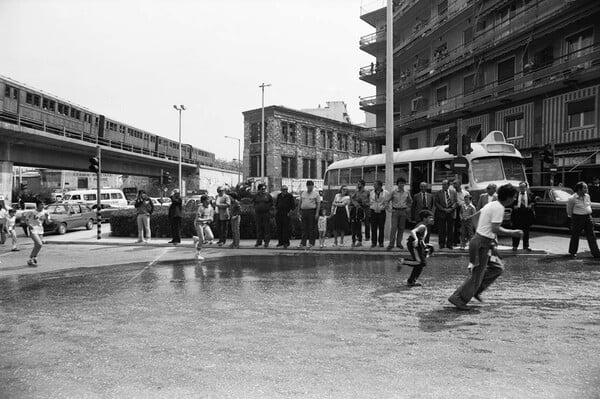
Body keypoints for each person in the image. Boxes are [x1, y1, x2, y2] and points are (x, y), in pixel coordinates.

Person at [448, 184, 523, 310]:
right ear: (509, 198)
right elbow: (495, 228)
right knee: (477, 275)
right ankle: (458, 298)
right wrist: (514, 232)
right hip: (481, 243)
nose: (515, 199)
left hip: (484, 242)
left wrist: (484, 235)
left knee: (497, 268)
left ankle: (476, 290)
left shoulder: (492, 204)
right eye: (514, 197)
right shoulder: (499, 208)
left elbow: (474, 218)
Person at [398, 209, 435, 287]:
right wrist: (416, 239)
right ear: (424, 218)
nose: (432, 219)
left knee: (420, 264)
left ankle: (412, 281)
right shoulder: (422, 225)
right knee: (420, 262)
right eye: (430, 217)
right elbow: (413, 231)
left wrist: (425, 246)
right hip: (414, 245)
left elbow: (421, 238)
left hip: (418, 245)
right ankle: (403, 261)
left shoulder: (425, 226)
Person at [567, 181, 600, 258]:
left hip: (588, 217)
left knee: (591, 235)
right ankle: (573, 252)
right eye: (585, 188)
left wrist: (589, 213)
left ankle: (596, 252)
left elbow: (589, 205)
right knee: (575, 235)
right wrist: (573, 218)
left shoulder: (587, 196)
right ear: (579, 189)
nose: (586, 189)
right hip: (578, 217)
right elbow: (569, 210)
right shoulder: (572, 198)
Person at [388, 177, 412, 250]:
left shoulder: (407, 192)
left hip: (403, 211)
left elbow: (410, 201)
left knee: (401, 228)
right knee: (394, 228)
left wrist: (408, 207)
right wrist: (389, 209)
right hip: (395, 211)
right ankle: (391, 244)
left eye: (403, 183)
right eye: (400, 183)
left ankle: (399, 243)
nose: (401, 185)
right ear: (397, 184)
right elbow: (387, 200)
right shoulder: (393, 192)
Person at [24, 200, 50, 267]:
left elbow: (47, 223)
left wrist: (47, 217)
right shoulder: (32, 212)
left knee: (37, 245)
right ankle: (32, 258)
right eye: (41, 204)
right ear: (38, 205)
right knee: (39, 244)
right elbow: (25, 218)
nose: (43, 206)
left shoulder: (45, 212)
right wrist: (29, 225)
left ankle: (33, 257)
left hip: (40, 230)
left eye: (43, 204)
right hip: (33, 229)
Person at [511, 181, 536, 251]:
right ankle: (515, 245)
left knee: (526, 232)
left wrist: (531, 205)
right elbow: (510, 202)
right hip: (517, 214)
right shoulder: (515, 195)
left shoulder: (530, 194)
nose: (521, 188)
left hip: (526, 214)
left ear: (526, 187)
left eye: (523, 187)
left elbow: (534, 202)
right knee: (516, 231)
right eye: (520, 187)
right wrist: (514, 206)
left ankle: (526, 246)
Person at [433, 179, 457, 250]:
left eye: (445, 184)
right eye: (442, 184)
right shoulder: (438, 193)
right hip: (441, 213)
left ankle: (449, 244)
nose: (443, 186)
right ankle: (441, 244)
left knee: (450, 229)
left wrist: (451, 208)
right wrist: (444, 209)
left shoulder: (453, 192)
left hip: (451, 213)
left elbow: (456, 202)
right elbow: (436, 203)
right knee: (441, 229)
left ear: (448, 185)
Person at [298, 180, 321, 248]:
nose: (310, 187)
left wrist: (317, 213)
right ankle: (303, 242)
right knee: (304, 227)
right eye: (309, 186)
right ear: (307, 186)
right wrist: (298, 211)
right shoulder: (303, 193)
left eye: (311, 186)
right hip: (304, 211)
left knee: (311, 227)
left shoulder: (316, 194)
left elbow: (318, 204)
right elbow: (300, 202)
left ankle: (311, 242)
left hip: (312, 211)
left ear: (313, 186)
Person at [193, 195, 215, 260]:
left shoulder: (211, 208)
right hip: (198, 223)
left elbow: (211, 217)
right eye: (208, 199)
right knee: (202, 239)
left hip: (205, 224)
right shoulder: (201, 208)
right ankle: (197, 254)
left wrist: (211, 219)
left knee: (211, 237)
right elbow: (198, 219)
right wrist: (207, 219)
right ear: (204, 201)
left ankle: (196, 239)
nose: (209, 200)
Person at [253, 183, 273, 248]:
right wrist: (256, 208)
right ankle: (259, 241)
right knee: (258, 228)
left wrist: (268, 208)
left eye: (264, 189)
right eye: (262, 189)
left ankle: (266, 242)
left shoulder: (268, 195)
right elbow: (254, 202)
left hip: (266, 213)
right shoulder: (256, 196)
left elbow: (271, 203)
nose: (264, 190)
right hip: (258, 214)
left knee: (266, 228)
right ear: (259, 189)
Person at [370, 180, 389, 248]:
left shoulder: (386, 193)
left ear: (379, 185)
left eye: (375, 184)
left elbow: (387, 202)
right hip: (373, 211)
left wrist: (385, 207)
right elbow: (370, 201)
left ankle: (381, 242)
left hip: (381, 212)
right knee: (373, 227)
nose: (374, 186)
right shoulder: (372, 192)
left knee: (381, 227)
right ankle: (373, 242)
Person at [451, 180, 470, 246]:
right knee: (455, 226)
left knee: (464, 227)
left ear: (460, 184)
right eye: (453, 183)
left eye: (455, 183)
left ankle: (464, 241)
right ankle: (455, 241)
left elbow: (468, 202)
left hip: (463, 210)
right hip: (455, 211)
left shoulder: (465, 193)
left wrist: (461, 204)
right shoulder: (452, 193)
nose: (454, 185)